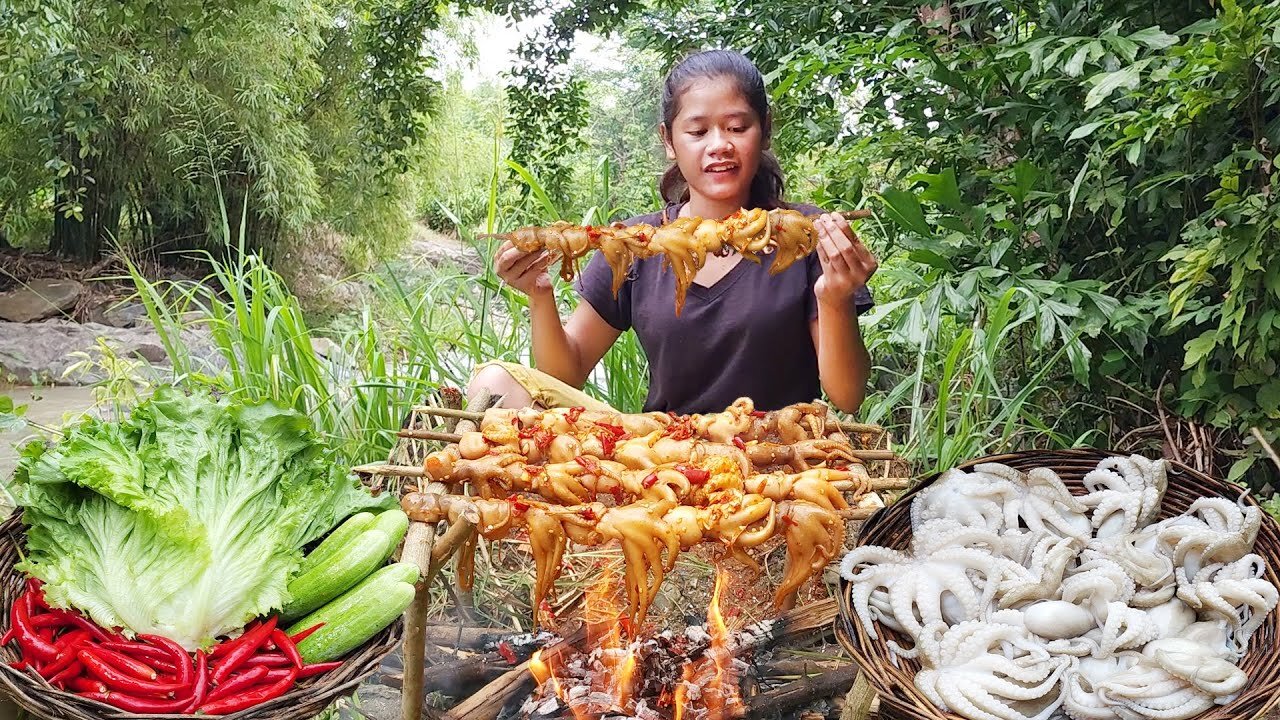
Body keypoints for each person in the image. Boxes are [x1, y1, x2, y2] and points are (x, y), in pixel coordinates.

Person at [469, 49, 878, 416]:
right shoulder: (632, 243)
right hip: (665, 455)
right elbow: (566, 373)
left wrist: (835, 297)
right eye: (698, 132)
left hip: (775, 457)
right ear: (669, 140)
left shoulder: (806, 239)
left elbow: (847, 397)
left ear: (765, 131)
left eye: (737, 127)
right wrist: (540, 295)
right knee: (496, 382)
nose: (719, 145)